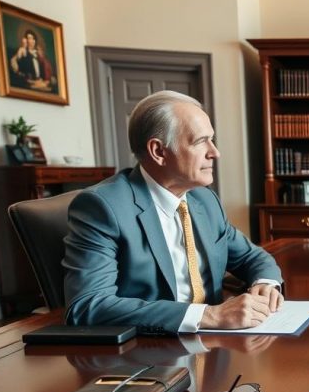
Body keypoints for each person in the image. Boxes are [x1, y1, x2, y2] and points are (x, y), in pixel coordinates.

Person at [64, 90, 284, 334]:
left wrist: (265, 283)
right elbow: (88, 306)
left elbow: (252, 258)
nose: (215, 152)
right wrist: (208, 315)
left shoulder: (204, 199)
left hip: (216, 344)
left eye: (212, 139)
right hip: (151, 352)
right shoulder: (103, 207)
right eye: (200, 141)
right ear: (158, 151)